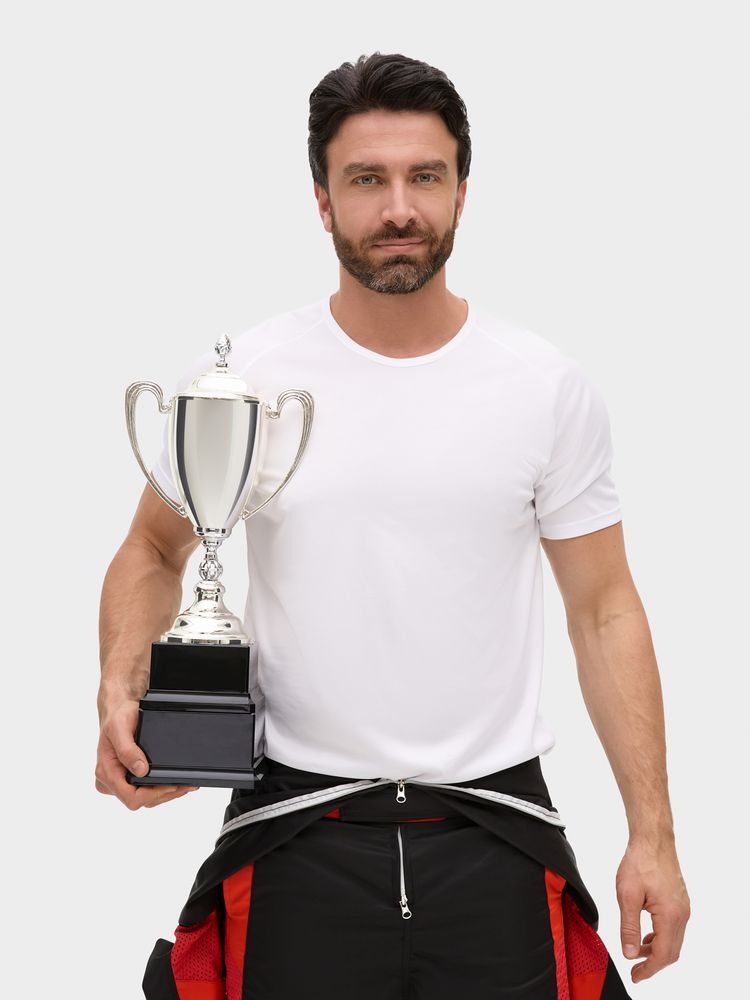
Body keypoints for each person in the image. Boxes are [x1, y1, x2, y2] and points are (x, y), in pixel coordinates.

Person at [96, 51, 690, 998]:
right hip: (295, 831)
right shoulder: (249, 377)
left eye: (425, 177)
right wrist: (122, 687)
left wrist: (652, 834)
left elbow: (605, 609)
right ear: (323, 201)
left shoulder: (544, 388)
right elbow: (155, 547)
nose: (399, 208)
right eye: (367, 179)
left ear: (462, 192)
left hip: (494, 829)